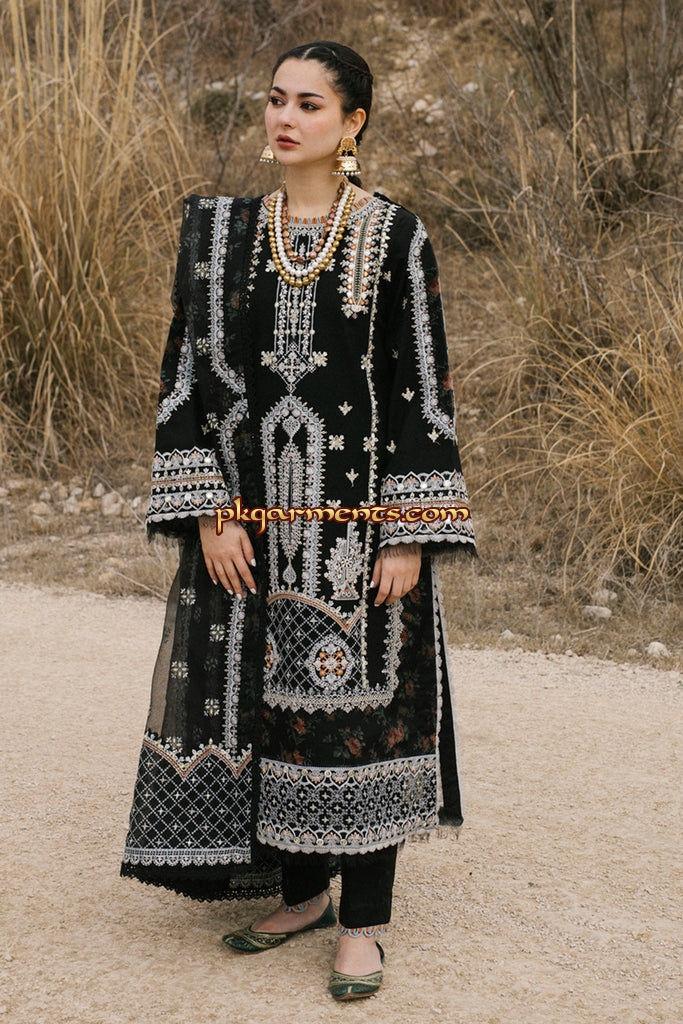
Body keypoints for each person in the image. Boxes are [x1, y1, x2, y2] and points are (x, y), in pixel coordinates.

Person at [121, 40, 476, 1001]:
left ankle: (361, 926)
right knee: (264, 709)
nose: (284, 117)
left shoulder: (395, 237)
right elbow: (184, 380)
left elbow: (423, 390)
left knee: (360, 717)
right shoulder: (222, 236)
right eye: (276, 99)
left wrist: (409, 531)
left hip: (358, 529)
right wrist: (209, 515)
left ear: (352, 122)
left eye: (309, 104)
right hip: (247, 527)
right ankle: (302, 893)